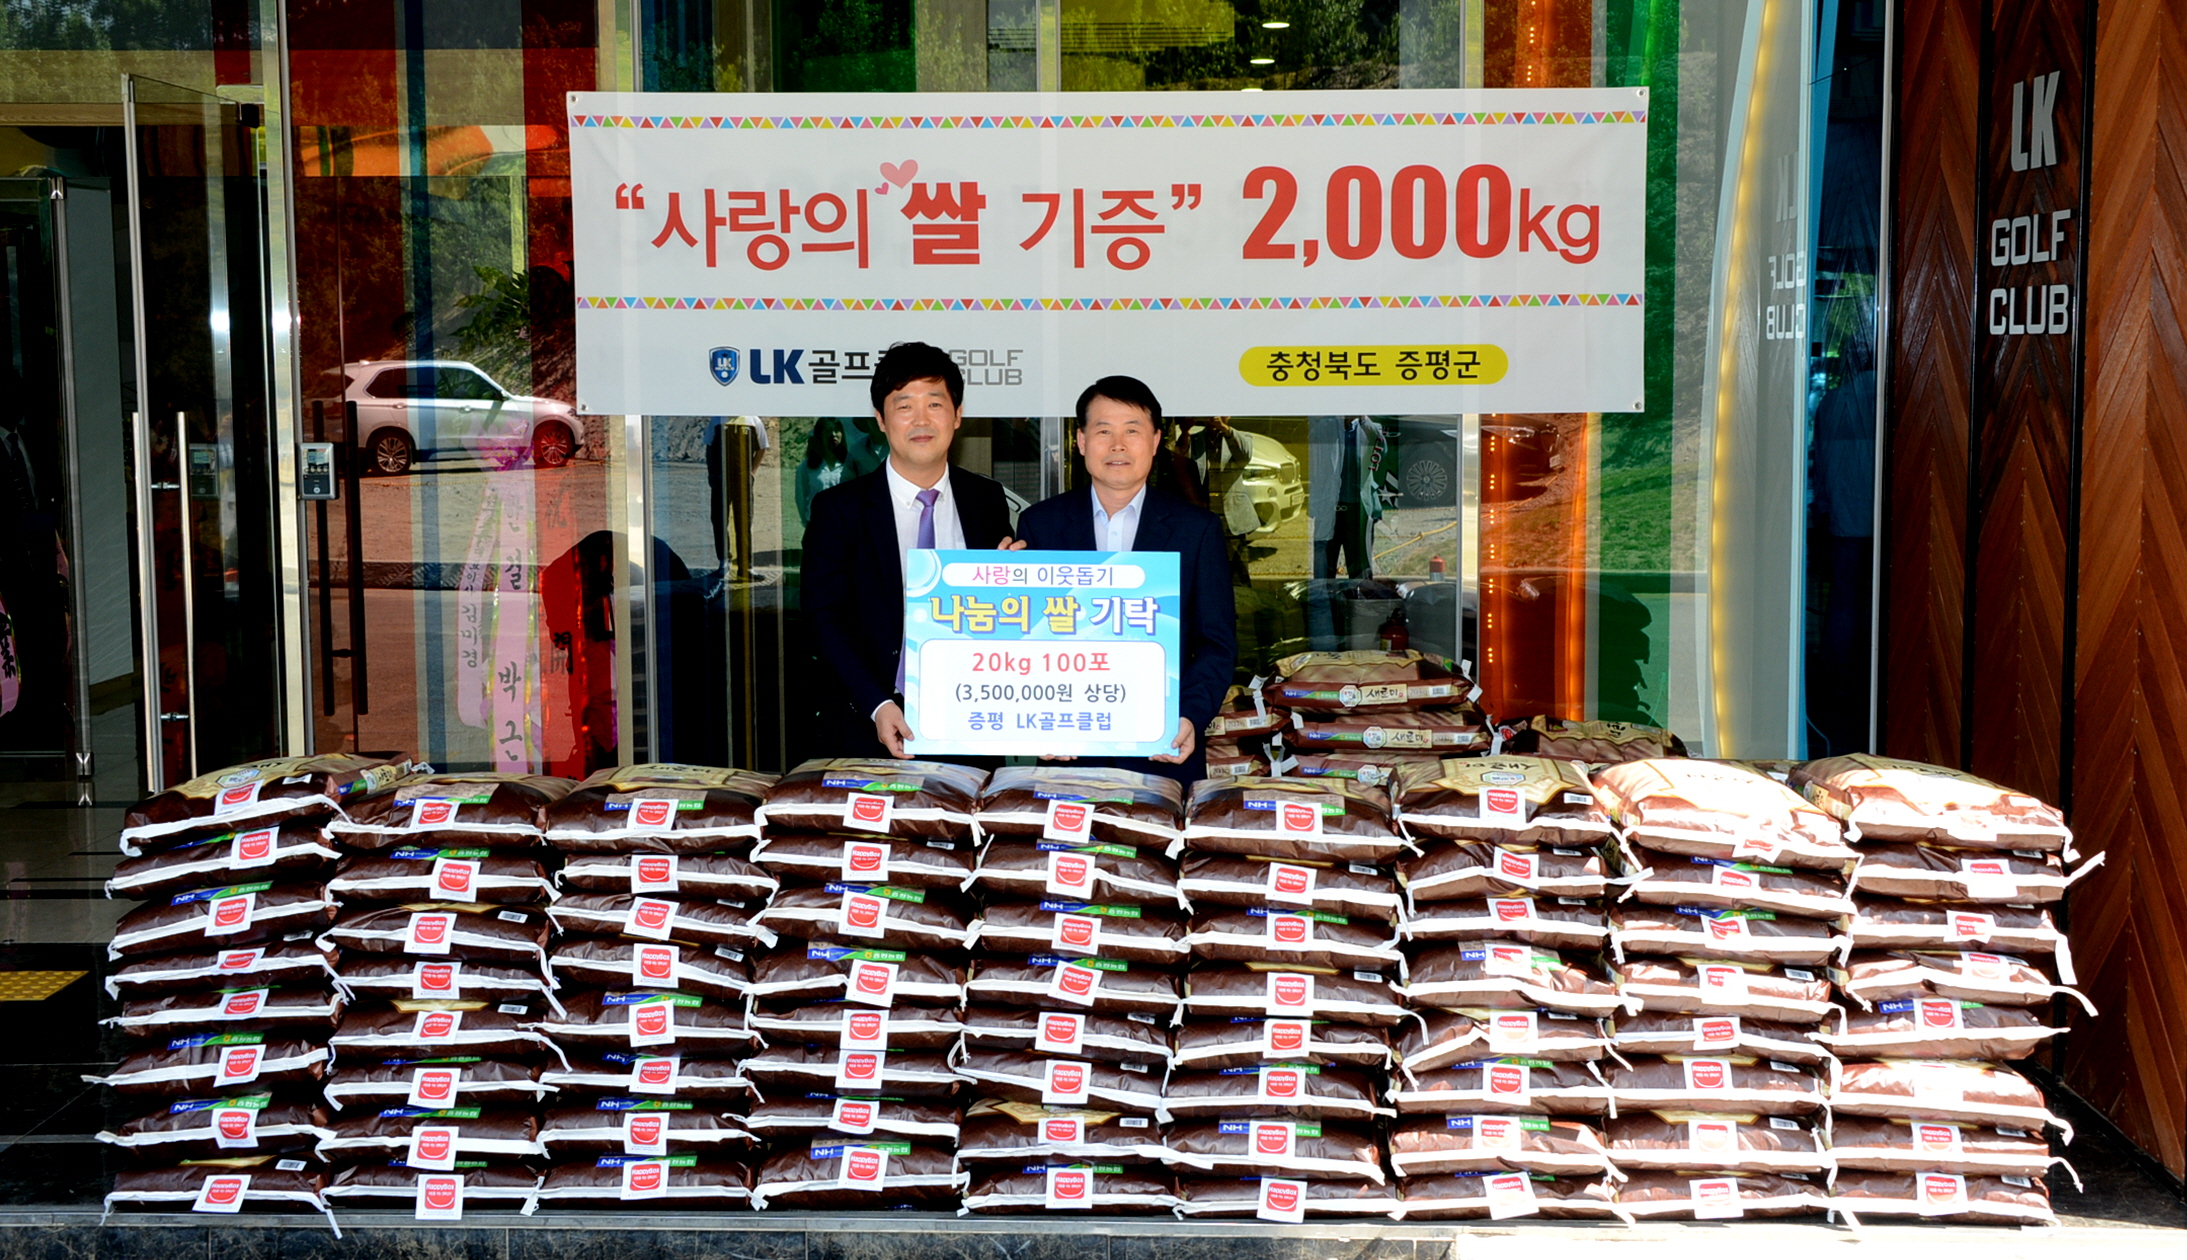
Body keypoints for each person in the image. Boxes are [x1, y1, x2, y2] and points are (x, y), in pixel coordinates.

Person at [1015, 376, 1238, 785]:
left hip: (1162, 753)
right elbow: (1023, 638)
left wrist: (1188, 715)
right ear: (1081, 441)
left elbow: (1216, 644)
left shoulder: (1196, 530)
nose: (1118, 445)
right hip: (1068, 753)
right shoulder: (1039, 525)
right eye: (1104, 431)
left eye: (1132, 431)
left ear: (1155, 441)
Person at [803, 342, 1016, 759]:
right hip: (867, 728)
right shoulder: (839, 510)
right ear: (881, 420)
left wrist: (1017, 583)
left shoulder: (986, 500)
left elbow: (1000, 613)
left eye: (935, 404)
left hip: (969, 724)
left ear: (957, 415)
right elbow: (823, 618)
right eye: (904, 406)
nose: (921, 420)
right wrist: (878, 704)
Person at [1309, 414, 1389, 578]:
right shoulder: (1326, 426)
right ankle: (1325, 593)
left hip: (1357, 508)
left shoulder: (1370, 428)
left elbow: (1382, 450)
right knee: (1324, 564)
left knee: (1360, 566)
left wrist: (1364, 419)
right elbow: (1311, 442)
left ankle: (1358, 593)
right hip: (1330, 506)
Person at [795, 418, 851, 525]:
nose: (833, 434)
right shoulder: (807, 466)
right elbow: (801, 497)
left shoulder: (850, 464)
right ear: (819, 434)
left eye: (837, 430)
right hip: (817, 524)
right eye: (828, 431)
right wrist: (807, 522)